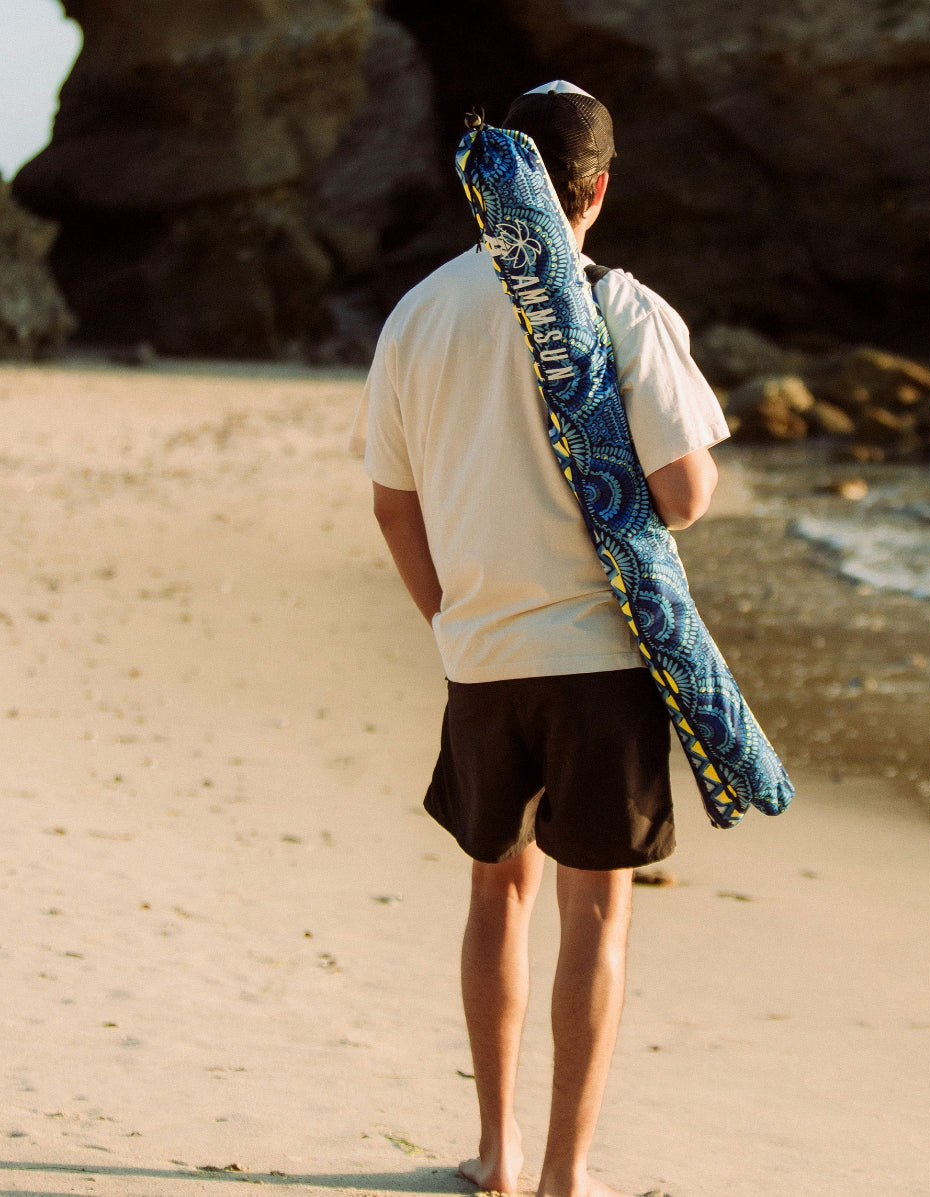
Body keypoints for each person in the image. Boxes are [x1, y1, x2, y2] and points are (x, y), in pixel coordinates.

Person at [351, 81, 729, 1197]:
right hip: (602, 663)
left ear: (490, 182)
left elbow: (391, 503)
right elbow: (686, 491)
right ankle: (567, 1175)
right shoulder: (623, 307)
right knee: (593, 910)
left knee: (493, 894)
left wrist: (452, 621)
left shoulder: (420, 311)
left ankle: (497, 1154)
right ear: (598, 189)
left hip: (479, 662)